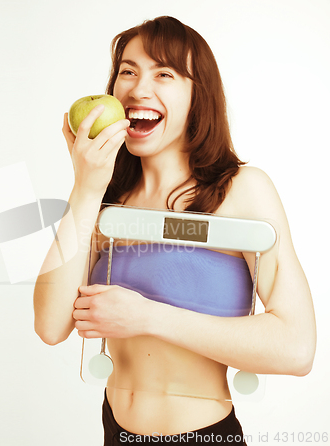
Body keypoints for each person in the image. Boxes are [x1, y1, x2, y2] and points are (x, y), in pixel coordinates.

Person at [33, 16, 316, 445]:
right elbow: (50, 326)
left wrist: (147, 316)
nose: (138, 88)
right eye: (128, 71)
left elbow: (297, 347)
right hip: (114, 430)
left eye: (163, 73)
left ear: (196, 96)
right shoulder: (107, 195)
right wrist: (86, 187)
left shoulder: (241, 190)